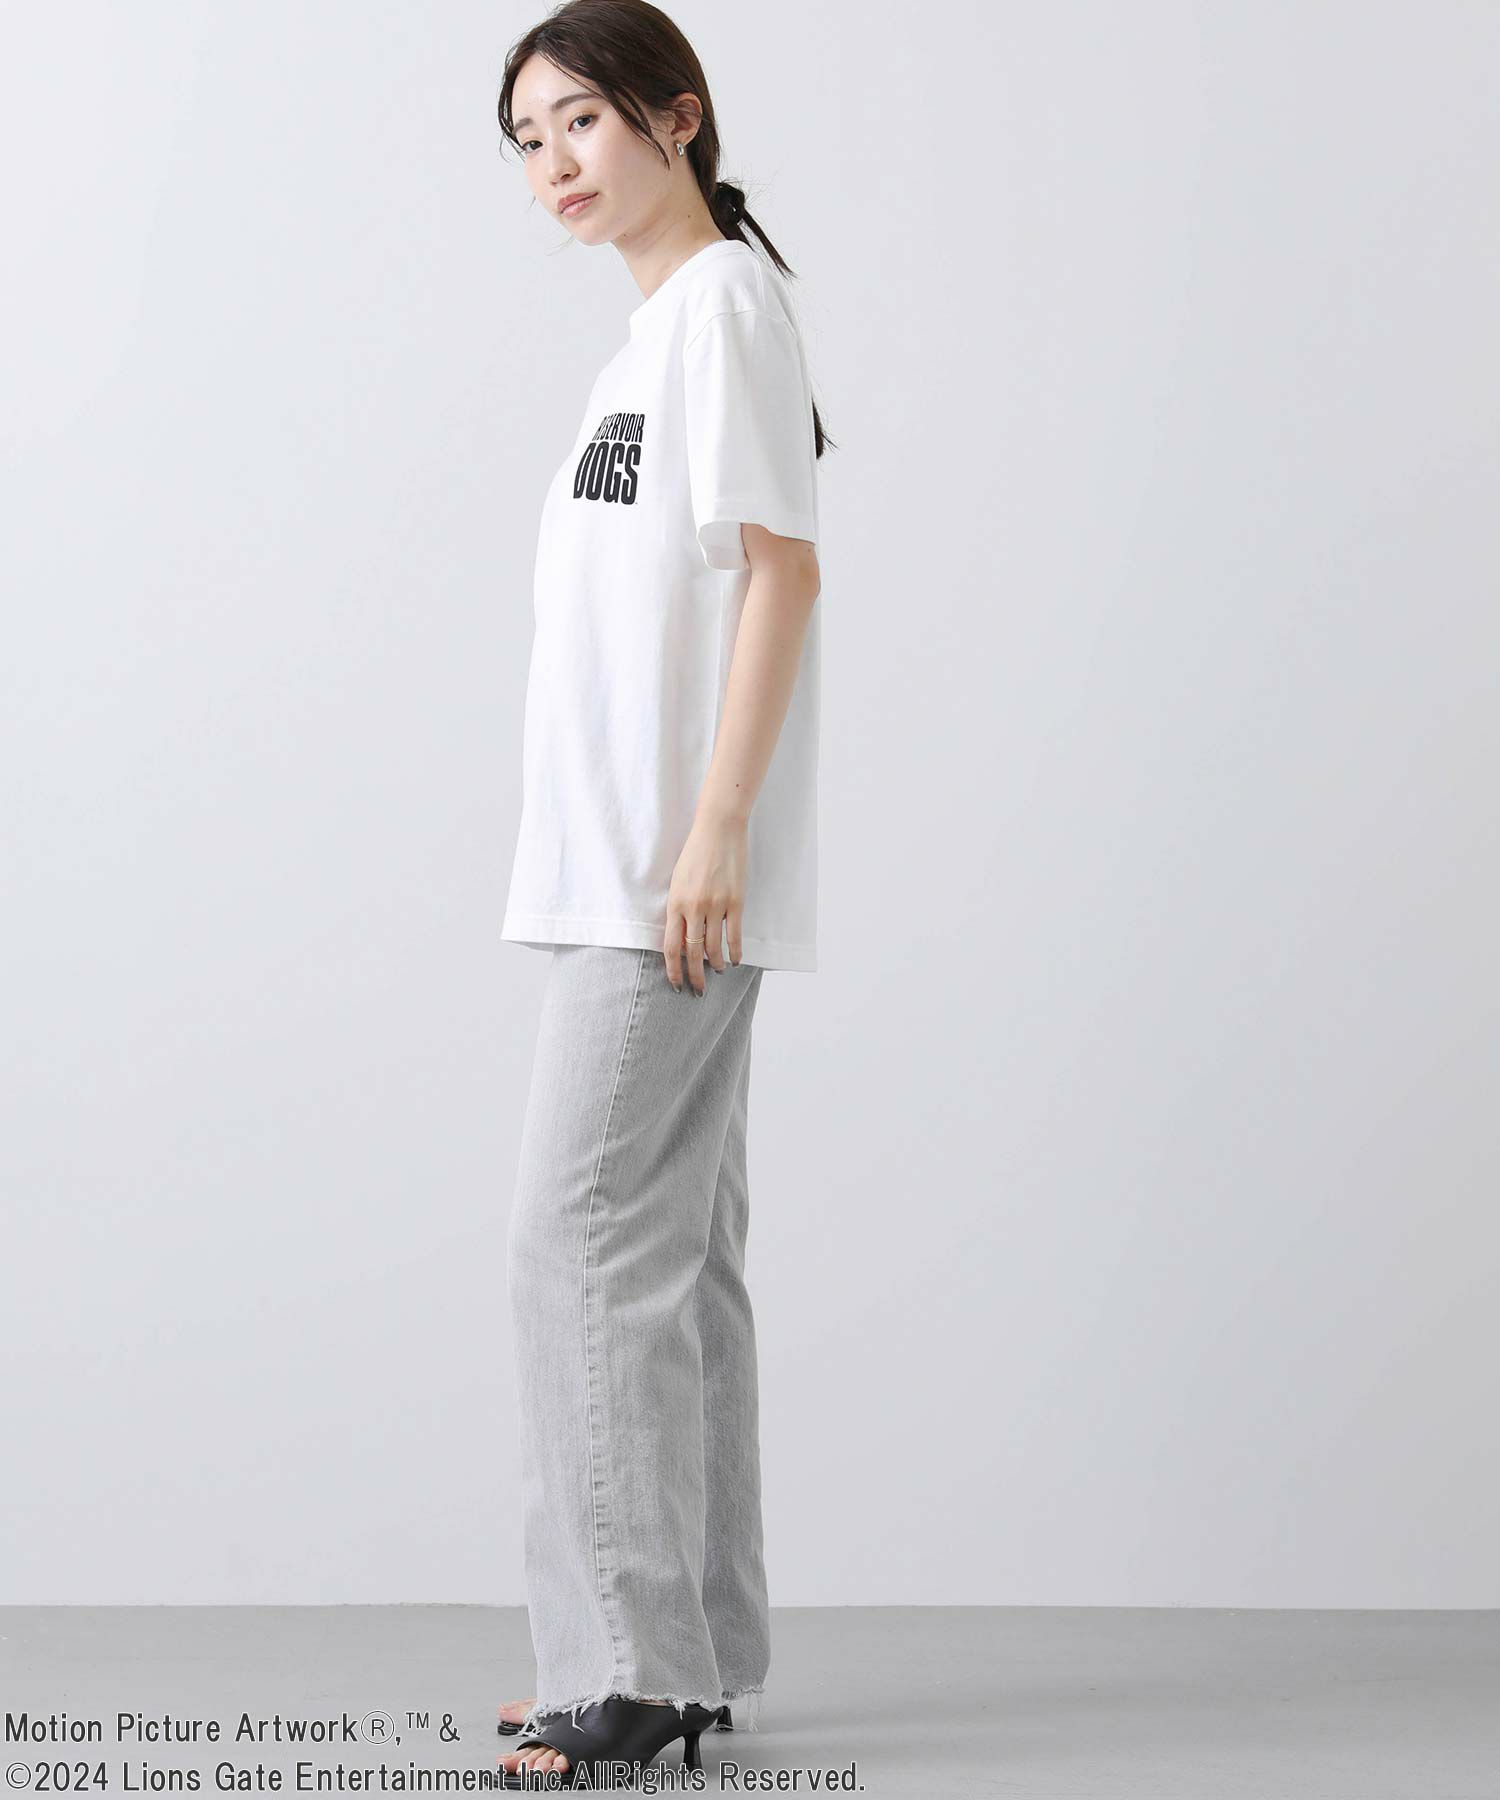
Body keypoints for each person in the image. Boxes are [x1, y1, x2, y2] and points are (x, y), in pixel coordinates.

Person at [490, 0, 832, 1788]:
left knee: (579, 1243)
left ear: (676, 118)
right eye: (526, 139)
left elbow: (783, 574)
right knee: (677, 1263)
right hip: (627, 870)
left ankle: (621, 1668)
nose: (553, 162)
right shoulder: (648, 342)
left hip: (667, 881)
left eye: (581, 121)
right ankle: (688, 1654)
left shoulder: (723, 312)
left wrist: (713, 828)